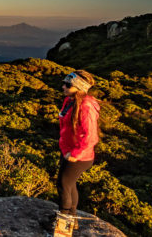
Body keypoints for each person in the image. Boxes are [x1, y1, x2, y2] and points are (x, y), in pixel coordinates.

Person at [55, 70, 100, 228]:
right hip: (68, 150)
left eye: (68, 85)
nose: (64, 87)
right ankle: (71, 220)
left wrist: (74, 154)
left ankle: (63, 224)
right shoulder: (70, 100)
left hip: (79, 156)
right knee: (69, 184)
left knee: (63, 184)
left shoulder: (86, 106)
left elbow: (91, 136)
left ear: (79, 88)